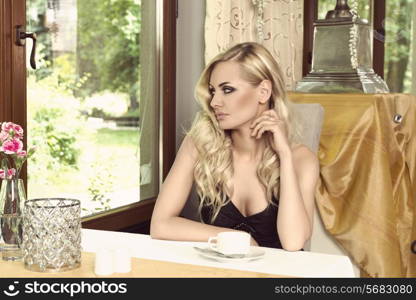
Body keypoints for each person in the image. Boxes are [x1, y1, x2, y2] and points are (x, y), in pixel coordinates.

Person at [150, 42, 319, 251]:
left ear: (264, 92)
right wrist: (240, 238)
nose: (214, 102)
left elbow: (293, 243)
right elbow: (160, 225)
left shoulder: (301, 159)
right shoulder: (200, 143)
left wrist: (284, 155)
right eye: (213, 91)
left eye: (227, 90)